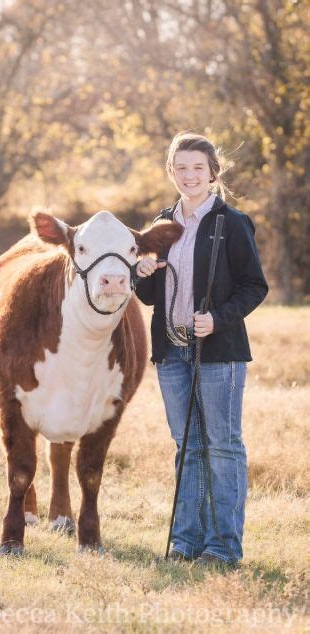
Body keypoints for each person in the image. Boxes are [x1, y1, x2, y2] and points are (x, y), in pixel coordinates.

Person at [135, 132, 268, 568]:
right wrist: (141, 271)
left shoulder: (231, 222)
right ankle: (186, 542)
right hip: (171, 352)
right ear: (171, 171)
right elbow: (151, 296)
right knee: (186, 445)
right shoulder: (161, 224)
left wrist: (218, 318)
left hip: (220, 353)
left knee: (223, 445)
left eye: (198, 168)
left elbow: (254, 286)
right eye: (181, 168)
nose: (189, 176)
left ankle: (223, 547)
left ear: (213, 172)